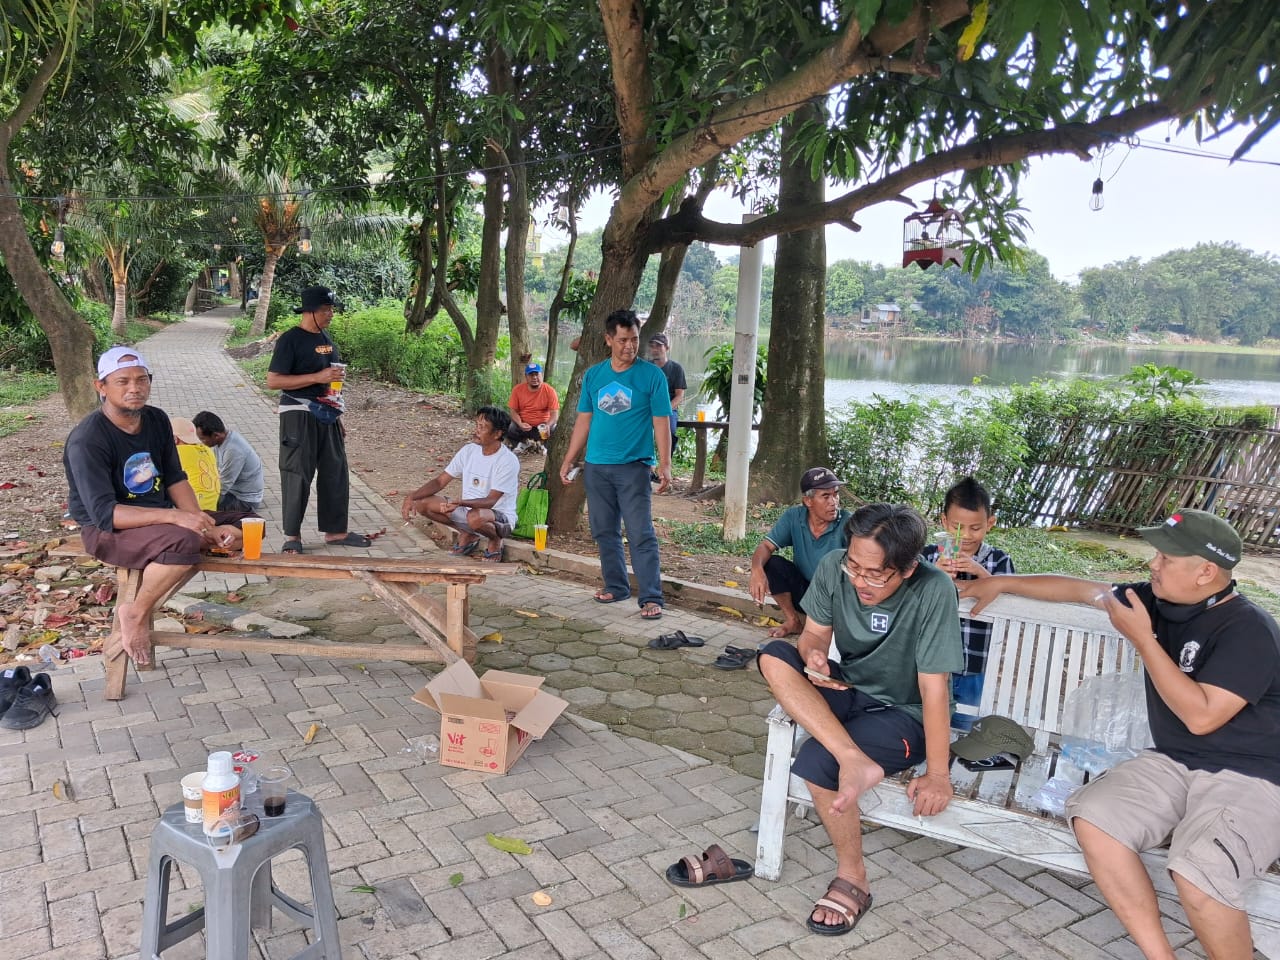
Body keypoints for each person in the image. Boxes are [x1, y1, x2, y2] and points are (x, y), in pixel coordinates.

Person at [958, 509, 1280, 960]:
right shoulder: (1159, 601)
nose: (1153, 564)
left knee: (1198, 871)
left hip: (1251, 773)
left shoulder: (1249, 629)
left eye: (1167, 558)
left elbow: (1202, 717)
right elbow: (1083, 589)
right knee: (1095, 817)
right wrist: (1003, 582)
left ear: (1207, 571)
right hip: (1173, 760)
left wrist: (1144, 640)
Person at [757, 503, 962, 936]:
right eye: (854, 566)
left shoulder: (933, 589)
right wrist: (813, 653)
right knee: (774, 655)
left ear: (907, 569)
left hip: (904, 713)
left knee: (817, 762)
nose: (860, 581)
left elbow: (934, 689)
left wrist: (939, 774)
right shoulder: (835, 567)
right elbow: (814, 632)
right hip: (846, 687)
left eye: (875, 574)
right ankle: (853, 757)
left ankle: (853, 877)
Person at [62, 347, 223, 664]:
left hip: (156, 517)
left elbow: (175, 478)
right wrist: (178, 520)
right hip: (106, 530)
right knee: (185, 540)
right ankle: (134, 612)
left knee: (241, 520)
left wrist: (199, 519)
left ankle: (202, 535)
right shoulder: (88, 440)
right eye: (122, 381)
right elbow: (105, 513)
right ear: (101, 387)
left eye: (141, 380)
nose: (134, 388)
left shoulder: (157, 419)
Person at [559, 308, 672, 620]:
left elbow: (661, 421)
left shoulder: (652, 376)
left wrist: (665, 463)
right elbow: (584, 420)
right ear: (608, 340)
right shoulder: (595, 376)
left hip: (634, 467)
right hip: (596, 466)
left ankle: (651, 597)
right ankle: (616, 585)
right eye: (623, 340)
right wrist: (570, 458)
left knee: (640, 532)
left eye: (634, 339)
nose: (629, 346)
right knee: (603, 530)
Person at [265, 285, 370, 554]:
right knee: (297, 473)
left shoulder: (326, 338)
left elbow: (330, 378)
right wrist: (316, 378)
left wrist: (338, 416)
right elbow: (273, 381)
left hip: (327, 413)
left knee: (336, 471)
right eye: (325, 310)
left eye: (332, 309)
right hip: (297, 414)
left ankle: (335, 532)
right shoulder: (290, 340)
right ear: (310, 311)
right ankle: (292, 536)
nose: (330, 314)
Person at [920, 476, 1014, 729]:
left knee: (966, 725)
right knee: (927, 718)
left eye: (976, 527)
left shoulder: (999, 561)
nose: (966, 535)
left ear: (990, 524)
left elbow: (1011, 600)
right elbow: (908, 595)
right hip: (931, 661)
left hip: (976, 662)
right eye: (957, 526)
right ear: (944, 522)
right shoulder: (928, 556)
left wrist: (981, 574)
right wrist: (932, 573)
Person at [401, 406, 520, 562]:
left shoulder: (507, 461)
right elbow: (440, 481)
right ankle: (468, 534)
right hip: (467, 510)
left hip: (497, 516)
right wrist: (411, 496)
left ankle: (495, 540)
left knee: (474, 517)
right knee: (422, 503)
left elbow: (491, 501)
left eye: (482, 427)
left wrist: (459, 502)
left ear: (497, 434)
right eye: (477, 425)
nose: (476, 430)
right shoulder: (468, 451)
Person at [749, 467, 852, 639]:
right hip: (805, 595)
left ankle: (832, 631)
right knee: (772, 564)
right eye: (826, 496)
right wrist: (756, 571)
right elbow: (765, 547)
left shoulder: (848, 522)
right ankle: (793, 622)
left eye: (836, 494)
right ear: (808, 501)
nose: (834, 502)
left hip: (836, 599)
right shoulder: (794, 517)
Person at [192, 410, 264, 513]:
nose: (201, 443)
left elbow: (223, 485)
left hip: (244, 500)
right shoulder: (221, 440)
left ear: (216, 435)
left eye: (203, 439)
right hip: (232, 491)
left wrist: (203, 497)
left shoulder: (234, 450)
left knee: (199, 505)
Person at [170, 416, 220, 512]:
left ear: (175, 439)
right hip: (212, 508)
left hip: (193, 510)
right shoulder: (208, 450)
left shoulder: (177, 452)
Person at [506, 362, 559, 452]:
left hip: (542, 427)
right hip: (524, 426)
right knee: (509, 427)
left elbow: (555, 414)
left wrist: (548, 425)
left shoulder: (550, 391)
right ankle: (522, 444)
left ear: (541, 375)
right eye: (531, 375)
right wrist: (520, 423)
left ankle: (545, 447)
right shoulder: (517, 390)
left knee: (555, 428)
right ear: (526, 377)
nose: (534, 377)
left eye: (537, 374)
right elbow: (513, 411)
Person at [647, 332, 686, 446]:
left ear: (667, 348)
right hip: (647, 407)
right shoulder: (646, 368)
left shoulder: (676, 368)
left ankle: (666, 461)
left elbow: (679, 395)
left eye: (659, 346)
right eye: (652, 346)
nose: (655, 349)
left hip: (668, 408)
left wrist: (666, 408)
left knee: (670, 432)